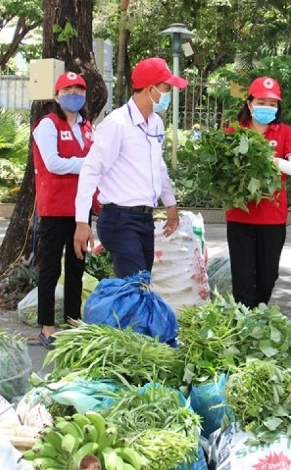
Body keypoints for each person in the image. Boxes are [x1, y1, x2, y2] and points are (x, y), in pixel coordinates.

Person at [73, 57, 187, 278]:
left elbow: (159, 166)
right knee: (136, 287)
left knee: (140, 285)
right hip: (119, 219)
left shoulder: (156, 123)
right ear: (150, 89)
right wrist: (81, 222)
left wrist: (170, 205)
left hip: (144, 219)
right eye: (166, 88)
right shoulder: (117, 124)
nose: (169, 94)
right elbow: (91, 170)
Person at [225, 76, 291, 308]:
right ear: (249, 104)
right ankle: (244, 328)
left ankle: (257, 315)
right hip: (240, 217)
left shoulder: (285, 133)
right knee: (243, 280)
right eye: (261, 102)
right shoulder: (234, 132)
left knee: (267, 278)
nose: (267, 107)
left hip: (273, 218)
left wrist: (267, 159)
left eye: (272, 104)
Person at [32, 71, 93, 349]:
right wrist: (88, 165)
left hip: (81, 208)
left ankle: (73, 320)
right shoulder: (47, 125)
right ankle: (47, 326)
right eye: (68, 90)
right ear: (56, 96)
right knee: (50, 268)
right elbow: (54, 163)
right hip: (55, 208)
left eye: (79, 90)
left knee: (77, 265)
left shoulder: (87, 125)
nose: (74, 94)